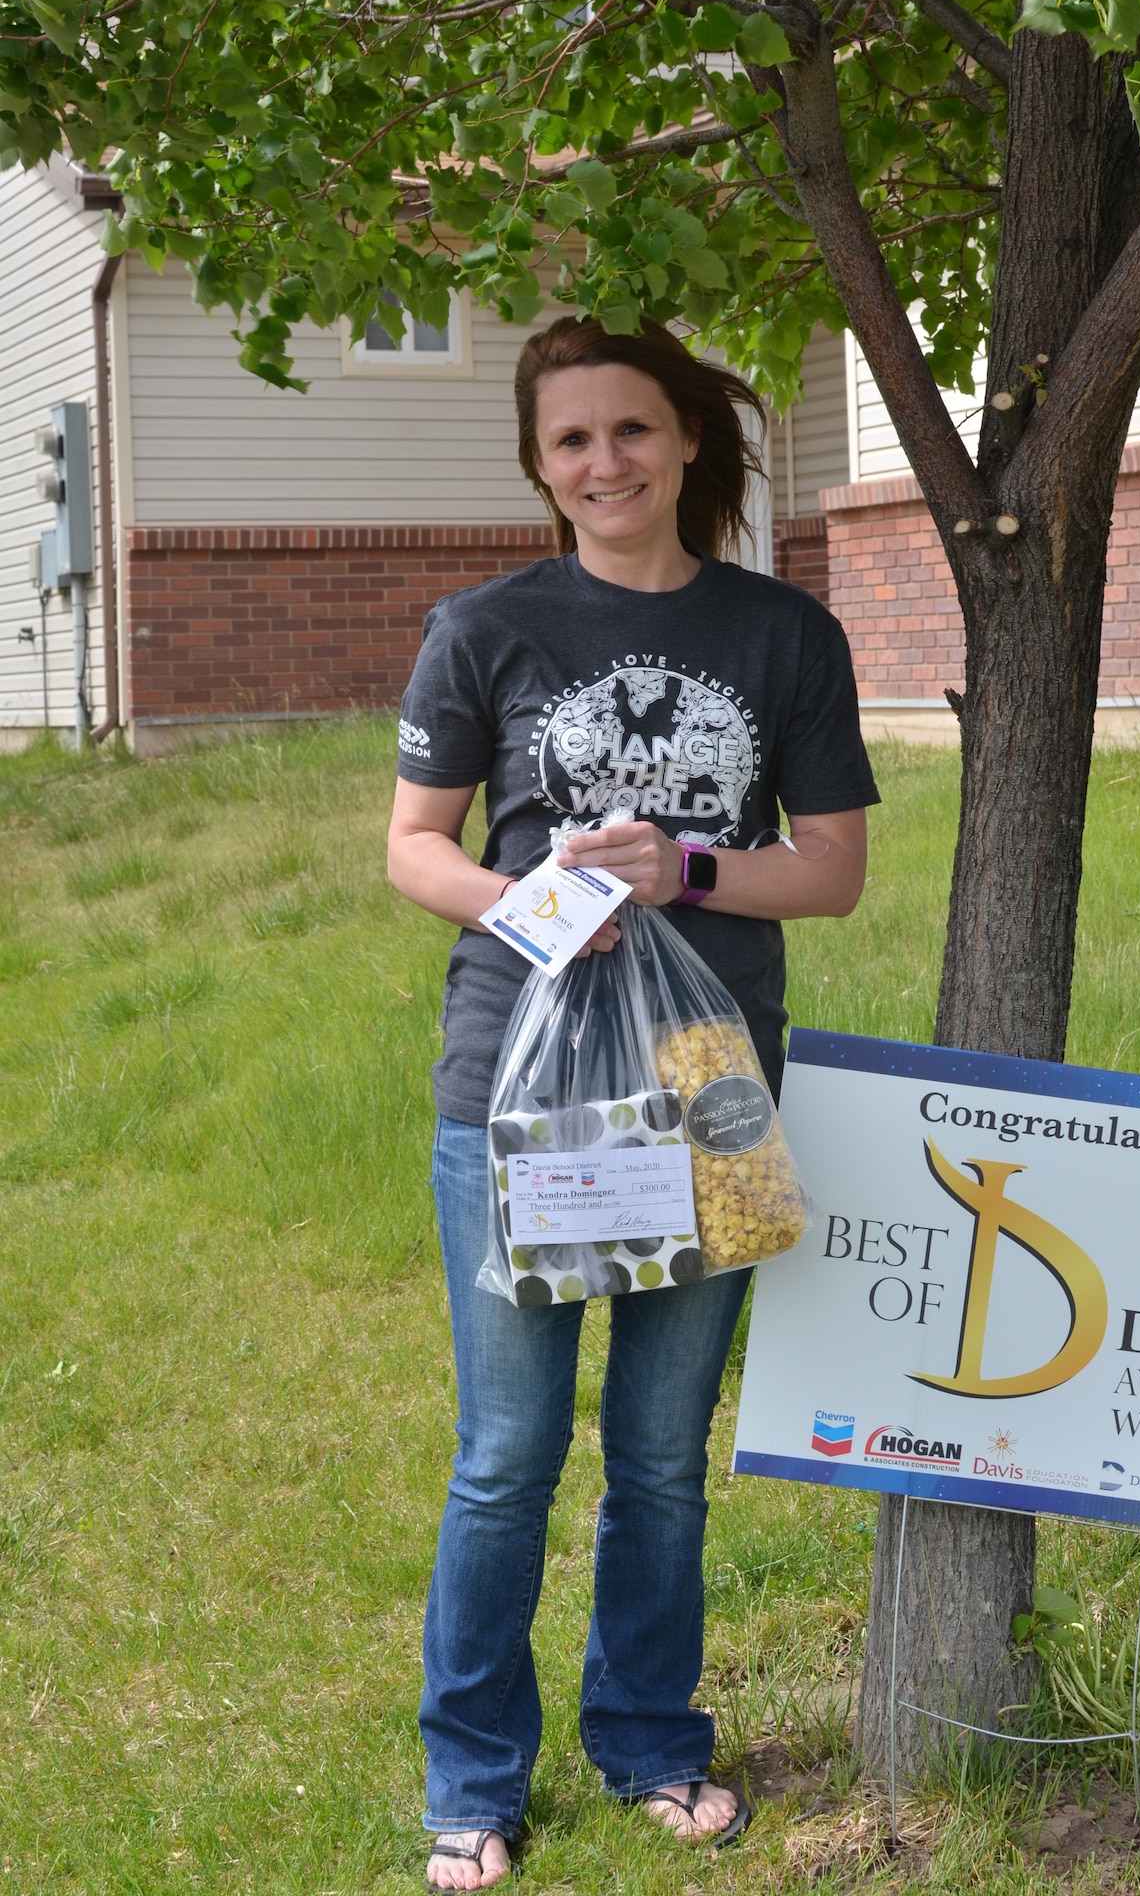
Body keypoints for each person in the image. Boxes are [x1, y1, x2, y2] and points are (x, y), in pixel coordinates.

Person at [387, 315, 879, 1890]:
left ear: (687, 444)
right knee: (508, 1452)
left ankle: (650, 1740)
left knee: (662, 1454)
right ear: (540, 465)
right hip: (516, 1092)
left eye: (633, 431)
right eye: (572, 441)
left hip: (710, 1084)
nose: (605, 463)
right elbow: (414, 846)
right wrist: (536, 898)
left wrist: (688, 869)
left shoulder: (782, 633)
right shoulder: (484, 628)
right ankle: (471, 1776)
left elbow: (837, 872)